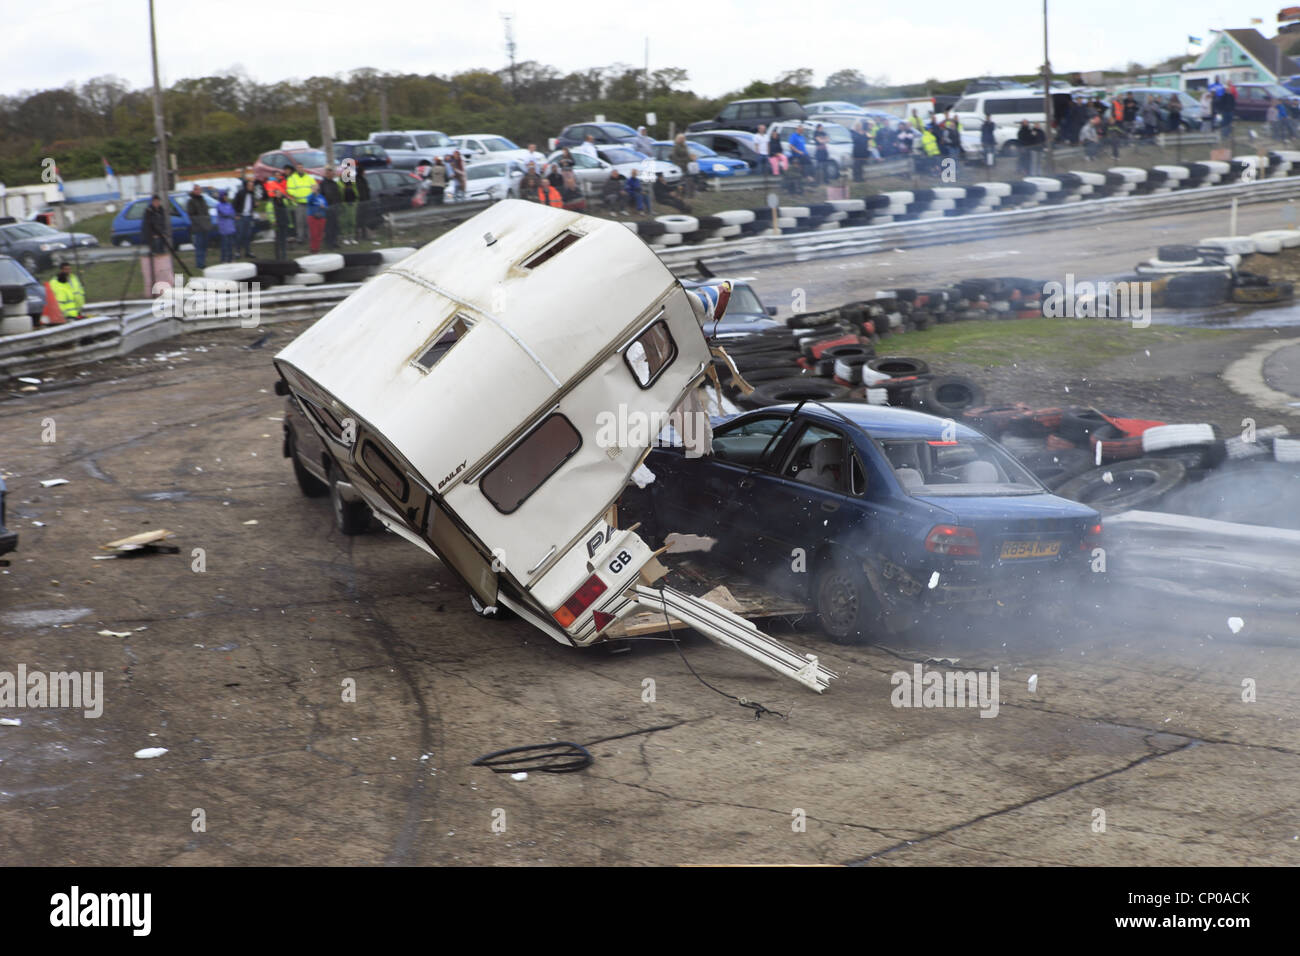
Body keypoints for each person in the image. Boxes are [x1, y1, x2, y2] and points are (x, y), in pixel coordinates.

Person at [264, 170, 291, 259]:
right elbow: (270, 212)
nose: (279, 194)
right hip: (277, 223)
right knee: (278, 240)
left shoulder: (284, 201)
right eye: (277, 193)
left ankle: (284, 255)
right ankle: (278, 256)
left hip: (284, 222)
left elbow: (289, 206)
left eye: (280, 193)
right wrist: (273, 221)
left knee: (284, 239)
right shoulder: (272, 203)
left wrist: (286, 197)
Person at [285, 163, 314, 243]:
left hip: (308, 203)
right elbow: (289, 189)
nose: (300, 169)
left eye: (301, 167)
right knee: (300, 222)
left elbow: (315, 187)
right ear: (296, 169)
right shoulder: (292, 178)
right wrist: (298, 195)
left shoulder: (309, 177)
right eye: (298, 168)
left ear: (303, 168)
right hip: (299, 203)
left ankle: (309, 238)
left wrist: (311, 196)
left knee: (308, 221)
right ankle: (300, 238)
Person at [233, 173, 260, 258]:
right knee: (239, 235)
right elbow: (234, 204)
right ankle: (237, 252)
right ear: (246, 186)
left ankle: (248, 252)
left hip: (249, 216)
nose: (252, 187)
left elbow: (250, 205)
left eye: (252, 186)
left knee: (248, 235)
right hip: (241, 216)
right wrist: (236, 214)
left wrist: (255, 205)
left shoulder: (252, 194)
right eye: (250, 185)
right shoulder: (240, 193)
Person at [185, 184, 211, 269]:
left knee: (204, 246)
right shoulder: (191, 201)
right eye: (196, 189)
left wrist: (206, 220)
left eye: (199, 189)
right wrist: (201, 220)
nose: (198, 191)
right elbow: (191, 215)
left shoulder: (202, 199)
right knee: (199, 246)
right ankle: (199, 264)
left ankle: (203, 262)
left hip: (205, 226)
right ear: (194, 190)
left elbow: (206, 212)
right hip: (198, 227)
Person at [319, 166, 342, 250]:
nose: (331, 174)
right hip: (327, 208)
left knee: (335, 226)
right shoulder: (322, 184)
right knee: (328, 227)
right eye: (329, 173)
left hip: (335, 207)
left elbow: (338, 195)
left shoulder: (334, 183)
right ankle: (328, 243)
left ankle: (334, 241)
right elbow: (320, 196)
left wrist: (339, 205)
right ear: (326, 174)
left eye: (332, 173)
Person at [670, 134, 694, 198]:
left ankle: (686, 194)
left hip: (686, 166)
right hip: (680, 166)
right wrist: (687, 159)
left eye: (683, 138)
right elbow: (674, 157)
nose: (683, 139)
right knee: (680, 181)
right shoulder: (676, 147)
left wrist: (691, 159)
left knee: (686, 180)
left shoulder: (684, 146)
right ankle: (679, 194)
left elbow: (687, 155)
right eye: (681, 138)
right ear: (678, 139)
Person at [215, 191, 237, 263]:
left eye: (226, 196)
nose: (225, 197)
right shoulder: (219, 205)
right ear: (221, 197)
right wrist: (230, 214)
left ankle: (230, 259)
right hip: (224, 229)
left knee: (231, 244)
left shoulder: (229, 204)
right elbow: (225, 213)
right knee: (224, 245)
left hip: (231, 227)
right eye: (224, 196)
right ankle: (223, 259)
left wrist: (230, 214)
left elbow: (233, 213)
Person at [305, 183, 327, 252]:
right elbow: (309, 202)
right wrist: (313, 194)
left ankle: (317, 248)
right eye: (313, 187)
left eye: (316, 187)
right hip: (312, 217)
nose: (315, 188)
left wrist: (324, 207)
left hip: (321, 217)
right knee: (314, 234)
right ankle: (313, 248)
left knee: (320, 234)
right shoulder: (310, 196)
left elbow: (326, 206)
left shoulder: (322, 197)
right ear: (311, 189)